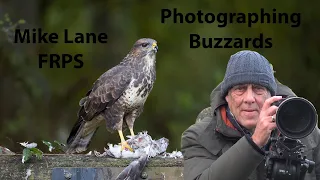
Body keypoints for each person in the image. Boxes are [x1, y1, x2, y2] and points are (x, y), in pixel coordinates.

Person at [181, 50, 320, 180]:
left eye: (258, 89)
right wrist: (255, 142)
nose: (249, 98)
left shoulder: (302, 128)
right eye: (240, 89)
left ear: (272, 96)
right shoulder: (199, 136)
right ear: (227, 97)